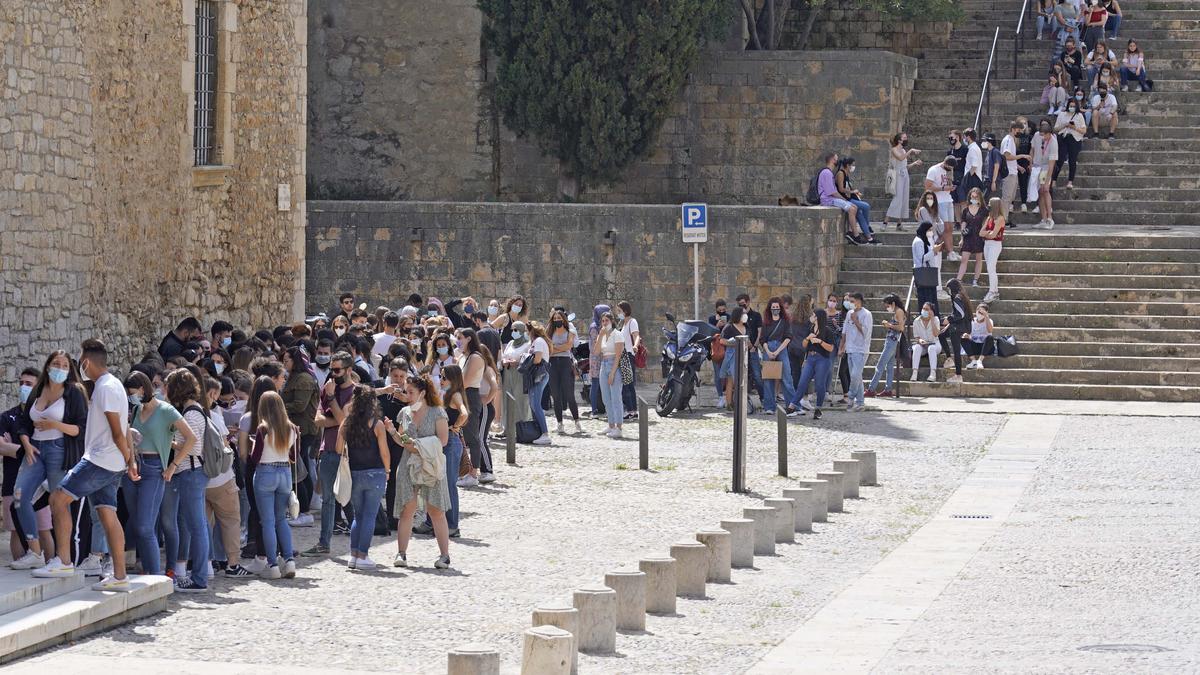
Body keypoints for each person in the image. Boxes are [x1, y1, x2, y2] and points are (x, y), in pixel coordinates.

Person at [34, 340, 136, 592]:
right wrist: (128, 460)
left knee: (57, 499)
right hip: (111, 462)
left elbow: (117, 431)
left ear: (87, 362)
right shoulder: (114, 386)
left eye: (80, 362)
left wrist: (128, 460)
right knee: (107, 513)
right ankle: (120, 577)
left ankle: (64, 561)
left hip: (100, 460)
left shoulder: (105, 388)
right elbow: (124, 427)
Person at [11, 352, 87, 571]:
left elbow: (80, 429)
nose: (60, 368)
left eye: (64, 365)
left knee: (59, 504)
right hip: (35, 450)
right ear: (47, 366)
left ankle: (63, 559)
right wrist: (26, 443)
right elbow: (24, 423)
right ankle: (34, 550)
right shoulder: (38, 389)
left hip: (59, 450)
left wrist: (55, 426)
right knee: (20, 495)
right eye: (56, 364)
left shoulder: (73, 392)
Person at [121, 372, 184, 576]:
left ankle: (157, 576)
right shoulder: (138, 409)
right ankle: (149, 570)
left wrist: (173, 465)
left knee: (146, 526)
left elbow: (190, 439)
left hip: (155, 468)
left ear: (142, 388)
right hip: (135, 465)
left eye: (133, 393)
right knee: (139, 523)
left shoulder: (166, 410)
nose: (132, 397)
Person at [388, 375, 453, 570]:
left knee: (436, 511)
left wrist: (418, 446)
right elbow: (402, 440)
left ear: (422, 393)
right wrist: (392, 431)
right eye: (406, 391)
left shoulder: (437, 412)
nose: (407, 396)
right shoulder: (405, 412)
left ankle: (444, 555)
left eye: (411, 392)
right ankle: (401, 553)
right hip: (408, 464)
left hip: (430, 465)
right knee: (406, 510)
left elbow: (443, 441)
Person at [160, 368, 213, 591]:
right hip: (193, 473)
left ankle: (199, 578)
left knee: (196, 525)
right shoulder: (195, 409)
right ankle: (199, 574)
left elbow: (193, 446)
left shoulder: (191, 413)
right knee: (197, 524)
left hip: (191, 473)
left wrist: (171, 454)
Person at [335, 384, 391, 570]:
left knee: (358, 516)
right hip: (375, 473)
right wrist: (388, 471)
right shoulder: (377, 424)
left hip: (354, 473)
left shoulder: (347, 423)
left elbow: (337, 448)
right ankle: (363, 555)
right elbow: (384, 452)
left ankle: (353, 555)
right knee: (369, 516)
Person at [305, 351, 355, 557]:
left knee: (350, 498)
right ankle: (324, 543)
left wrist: (332, 400)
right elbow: (317, 418)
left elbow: (345, 419)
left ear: (349, 370)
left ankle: (358, 543)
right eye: (331, 370)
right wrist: (337, 418)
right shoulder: (326, 390)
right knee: (327, 499)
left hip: (349, 452)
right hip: (328, 450)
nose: (333, 374)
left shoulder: (355, 392)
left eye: (337, 370)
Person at [251, 391, 297, 580]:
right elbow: (294, 456)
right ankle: (289, 560)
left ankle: (272, 565)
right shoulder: (292, 428)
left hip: (266, 472)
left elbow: (255, 458)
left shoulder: (263, 429)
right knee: (281, 520)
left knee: (268, 522)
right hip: (285, 472)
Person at [3, 368, 45, 567]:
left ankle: (46, 563)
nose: (23, 387)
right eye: (21, 383)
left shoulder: (42, 415)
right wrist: (27, 449)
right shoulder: (7, 417)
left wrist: (14, 448)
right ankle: (20, 564)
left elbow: (44, 448)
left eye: (28, 384)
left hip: (39, 482)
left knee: (44, 529)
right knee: (15, 530)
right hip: (12, 481)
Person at [280, 346, 318, 527]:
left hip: (303, 430)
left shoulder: (303, 379)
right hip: (296, 429)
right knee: (301, 470)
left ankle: (304, 511)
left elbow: (300, 405)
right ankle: (304, 509)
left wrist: (276, 407)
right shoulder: (293, 378)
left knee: (299, 472)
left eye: (286, 360)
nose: (284, 363)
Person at [456, 328, 495, 485]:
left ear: (468, 339)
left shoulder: (475, 357)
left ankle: (473, 473)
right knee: (463, 435)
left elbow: (464, 381)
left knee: (473, 436)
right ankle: (465, 470)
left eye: (460, 338)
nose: (457, 340)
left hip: (470, 396)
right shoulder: (463, 357)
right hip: (462, 395)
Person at [784, 308, 836, 420]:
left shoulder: (827, 331)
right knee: (802, 382)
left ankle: (818, 408)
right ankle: (791, 406)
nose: (811, 317)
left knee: (819, 385)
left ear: (818, 317)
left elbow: (831, 348)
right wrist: (808, 338)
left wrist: (820, 341)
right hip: (810, 358)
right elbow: (804, 345)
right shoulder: (811, 329)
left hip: (822, 359)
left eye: (813, 315)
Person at [817, 151, 866, 245]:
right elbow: (831, 192)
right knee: (852, 209)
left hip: (831, 199)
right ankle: (856, 236)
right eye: (836, 158)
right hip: (827, 200)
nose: (837, 160)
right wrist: (844, 200)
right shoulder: (827, 173)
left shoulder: (829, 172)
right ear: (832, 160)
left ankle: (851, 232)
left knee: (854, 207)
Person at [546, 310, 582, 434]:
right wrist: (558, 349)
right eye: (554, 318)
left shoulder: (569, 331)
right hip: (553, 364)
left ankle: (577, 421)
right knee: (556, 395)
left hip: (566, 363)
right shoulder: (549, 332)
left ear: (563, 319)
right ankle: (559, 423)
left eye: (559, 317)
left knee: (569, 395)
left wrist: (555, 348)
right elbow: (548, 349)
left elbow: (568, 346)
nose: (557, 320)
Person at [758, 297, 795, 413]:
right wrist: (768, 352)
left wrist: (777, 351)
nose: (775, 309)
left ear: (780, 308)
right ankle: (769, 407)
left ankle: (792, 406)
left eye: (777, 307)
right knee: (768, 379)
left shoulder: (785, 321)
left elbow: (788, 337)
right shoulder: (766, 322)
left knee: (787, 378)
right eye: (773, 307)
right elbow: (762, 339)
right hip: (768, 348)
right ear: (770, 309)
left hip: (781, 348)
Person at [866, 294, 906, 398]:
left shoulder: (899, 311)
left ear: (893, 303)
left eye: (887, 305)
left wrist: (889, 325)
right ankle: (888, 390)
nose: (886, 308)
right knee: (889, 366)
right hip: (892, 341)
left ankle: (871, 389)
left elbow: (901, 327)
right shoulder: (898, 311)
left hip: (892, 342)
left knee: (880, 365)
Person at [593, 311, 626, 438]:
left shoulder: (617, 334)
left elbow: (618, 355)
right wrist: (600, 336)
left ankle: (618, 427)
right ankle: (611, 424)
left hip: (614, 365)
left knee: (616, 397)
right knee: (606, 398)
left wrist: (612, 372)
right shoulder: (602, 334)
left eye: (607, 320)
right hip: (604, 364)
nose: (604, 323)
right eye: (603, 321)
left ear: (612, 321)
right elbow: (596, 352)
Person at [838, 293, 872, 412]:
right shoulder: (849, 313)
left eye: (852, 301)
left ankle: (851, 397)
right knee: (858, 377)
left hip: (861, 349)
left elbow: (866, 333)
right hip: (850, 349)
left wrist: (856, 321)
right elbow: (844, 332)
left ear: (858, 301)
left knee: (855, 375)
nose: (850, 303)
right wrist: (841, 347)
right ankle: (860, 403)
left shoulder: (867, 314)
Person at [835, 157, 878, 245]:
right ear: (848, 165)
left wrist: (856, 192)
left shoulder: (846, 174)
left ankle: (869, 238)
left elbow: (848, 187)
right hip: (845, 199)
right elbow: (841, 189)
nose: (854, 167)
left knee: (860, 214)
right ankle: (867, 226)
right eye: (853, 165)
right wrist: (852, 191)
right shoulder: (840, 173)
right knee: (866, 206)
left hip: (850, 198)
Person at [885, 132, 922, 231]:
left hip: (905, 176)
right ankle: (885, 222)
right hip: (897, 176)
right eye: (904, 138)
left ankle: (899, 224)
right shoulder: (894, 150)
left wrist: (914, 163)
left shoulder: (903, 150)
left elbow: (904, 167)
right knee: (897, 198)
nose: (906, 139)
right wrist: (911, 151)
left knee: (904, 199)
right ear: (899, 140)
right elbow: (900, 158)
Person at [525, 321, 553, 445]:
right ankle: (539, 431)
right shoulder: (538, 342)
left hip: (539, 375)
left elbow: (537, 360)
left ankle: (545, 433)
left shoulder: (539, 342)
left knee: (536, 404)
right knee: (533, 403)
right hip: (537, 376)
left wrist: (525, 361)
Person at [1029, 118, 1059, 229]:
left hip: (1046, 168)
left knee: (1045, 190)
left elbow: (1051, 164)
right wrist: (1031, 163)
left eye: (1044, 136)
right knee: (1039, 192)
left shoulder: (1053, 142)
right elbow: (1032, 149)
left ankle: (1050, 219)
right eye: (1040, 135)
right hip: (1037, 167)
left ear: (1049, 134)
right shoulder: (1037, 135)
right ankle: (1043, 219)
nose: (1042, 138)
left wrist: (1047, 181)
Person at [940, 279, 972, 384]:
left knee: (957, 351)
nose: (948, 291)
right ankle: (950, 360)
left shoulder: (957, 298)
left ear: (952, 288)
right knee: (942, 335)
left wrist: (948, 319)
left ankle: (958, 375)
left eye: (949, 288)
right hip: (960, 326)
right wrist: (949, 324)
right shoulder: (962, 296)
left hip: (957, 328)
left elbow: (960, 314)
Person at [924, 157, 957, 258]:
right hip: (939, 200)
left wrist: (950, 187)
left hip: (948, 199)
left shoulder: (949, 170)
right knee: (945, 227)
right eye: (949, 167)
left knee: (950, 227)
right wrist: (943, 188)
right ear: (945, 163)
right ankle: (949, 251)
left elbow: (948, 183)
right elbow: (927, 186)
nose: (950, 169)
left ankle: (950, 251)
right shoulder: (934, 170)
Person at [1053, 99, 1087, 190]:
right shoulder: (1061, 114)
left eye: (1073, 106)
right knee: (1060, 159)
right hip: (1063, 137)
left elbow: (1084, 131)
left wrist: (1074, 127)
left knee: (1072, 160)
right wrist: (1065, 125)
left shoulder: (1079, 116)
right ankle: (1053, 180)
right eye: (1070, 106)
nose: (1072, 107)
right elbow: (1056, 128)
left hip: (1075, 139)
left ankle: (1070, 181)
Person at [956, 187, 987, 286]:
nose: (973, 198)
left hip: (979, 236)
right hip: (968, 236)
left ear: (979, 198)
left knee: (979, 259)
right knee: (964, 259)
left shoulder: (984, 210)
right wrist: (962, 238)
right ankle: (958, 280)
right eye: (972, 197)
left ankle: (975, 280)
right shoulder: (965, 210)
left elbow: (987, 223)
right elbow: (963, 224)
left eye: (976, 197)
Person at [912, 220, 943, 314]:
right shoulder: (919, 242)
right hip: (924, 274)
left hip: (926, 274)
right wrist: (933, 251)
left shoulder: (923, 241)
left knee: (931, 297)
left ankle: (934, 315)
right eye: (929, 230)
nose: (931, 232)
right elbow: (922, 259)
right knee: (926, 297)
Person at [981, 197, 1007, 304]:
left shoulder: (1000, 218)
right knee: (990, 268)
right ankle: (995, 291)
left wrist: (986, 233)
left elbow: (993, 235)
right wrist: (987, 233)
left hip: (995, 245)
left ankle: (992, 291)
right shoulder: (989, 218)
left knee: (991, 267)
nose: (988, 205)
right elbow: (980, 232)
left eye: (990, 204)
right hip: (987, 244)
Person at [587, 305, 611, 418]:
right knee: (596, 384)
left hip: (605, 357)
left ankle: (606, 409)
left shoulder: (606, 326)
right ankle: (594, 410)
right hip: (597, 359)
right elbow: (593, 347)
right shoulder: (594, 327)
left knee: (605, 384)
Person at [910, 303, 943, 382]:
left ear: (931, 311)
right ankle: (914, 372)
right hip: (923, 345)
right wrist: (920, 340)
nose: (924, 310)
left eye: (927, 309)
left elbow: (936, 334)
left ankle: (933, 373)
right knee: (917, 347)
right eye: (923, 308)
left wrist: (931, 319)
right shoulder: (916, 321)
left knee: (931, 348)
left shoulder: (936, 319)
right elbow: (916, 337)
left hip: (934, 344)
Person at [707, 300, 730, 408]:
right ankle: (720, 396)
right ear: (716, 309)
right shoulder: (712, 319)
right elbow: (710, 334)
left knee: (727, 373)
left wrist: (726, 326)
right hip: (716, 349)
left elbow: (731, 332)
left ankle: (728, 395)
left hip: (727, 348)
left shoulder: (729, 317)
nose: (722, 312)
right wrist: (717, 325)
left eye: (723, 310)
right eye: (719, 310)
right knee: (717, 373)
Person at [964, 305, 996, 370]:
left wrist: (986, 316)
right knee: (963, 339)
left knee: (990, 338)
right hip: (975, 346)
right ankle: (973, 361)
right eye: (978, 311)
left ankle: (980, 361)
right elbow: (969, 335)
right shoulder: (972, 321)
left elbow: (990, 330)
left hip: (985, 347)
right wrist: (966, 335)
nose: (979, 314)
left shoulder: (989, 320)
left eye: (982, 312)